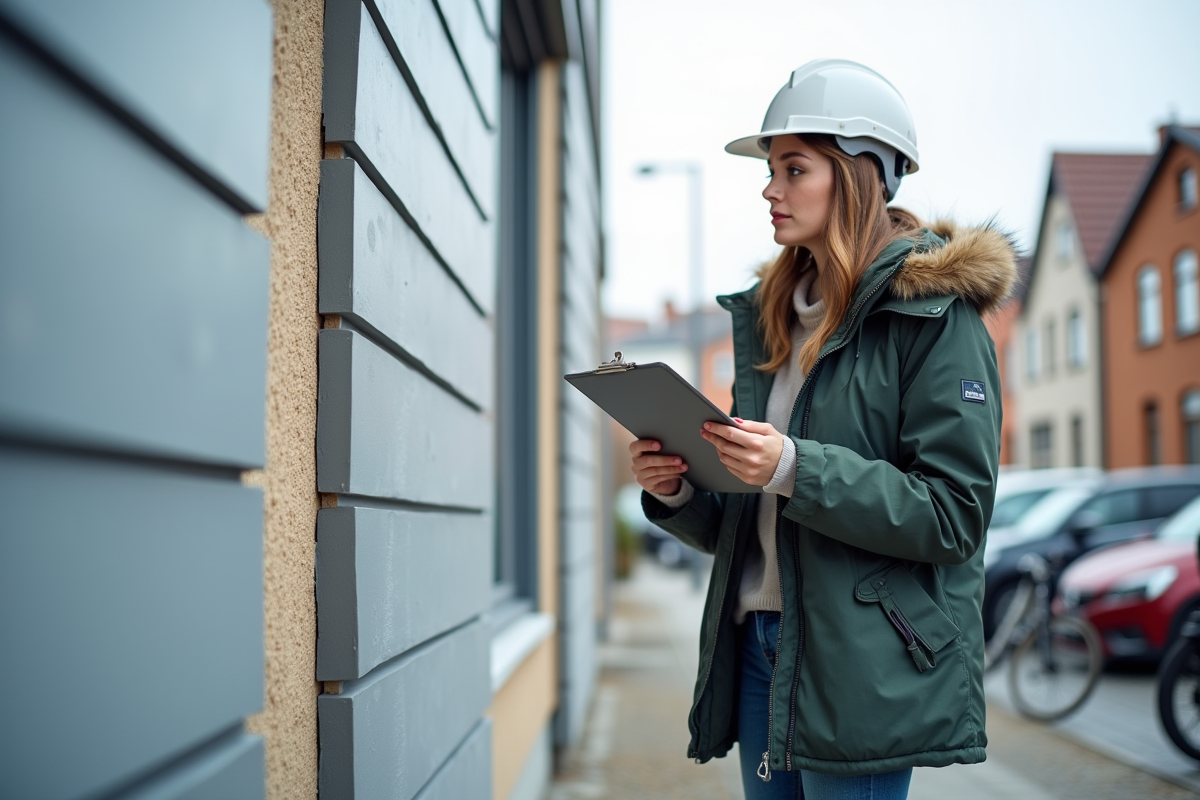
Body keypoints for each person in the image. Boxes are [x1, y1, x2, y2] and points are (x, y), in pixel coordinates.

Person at [629, 59, 1016, 800]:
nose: (770, 190)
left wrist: (793, 467)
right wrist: (677, 492)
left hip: (862, 665)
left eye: (794, 169)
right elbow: (750, 528)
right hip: (756, 649)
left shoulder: (935, 317)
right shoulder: (774, 316)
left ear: (859, 174)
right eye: (770, 171)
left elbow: (954, 515)